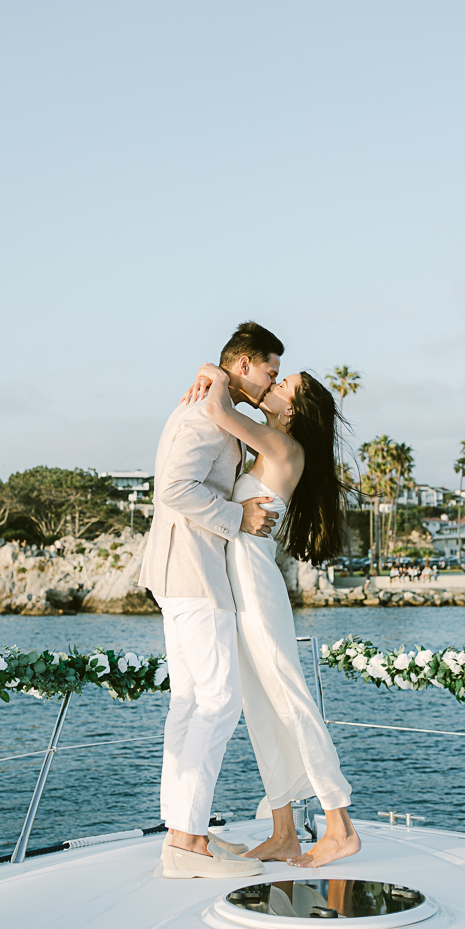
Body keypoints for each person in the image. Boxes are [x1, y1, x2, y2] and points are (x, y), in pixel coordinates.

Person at [186, 360, 361, 869]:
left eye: (284, 383)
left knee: (290, 699)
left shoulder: (285, 447)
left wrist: (213, 372)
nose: (274, 384)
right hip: (237, 590)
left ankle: (339, 825)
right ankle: (284, 830)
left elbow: (217, 408)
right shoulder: (269, 441)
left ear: (296, 407)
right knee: (260, 709)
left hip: (258, 591)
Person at [138, 322, 283, 880]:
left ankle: (183, 832)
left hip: (179, 571)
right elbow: (173, 488)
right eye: (269, 371)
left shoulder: (210, 400)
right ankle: (187, 839)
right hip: (194, 570)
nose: (271, 384)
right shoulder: (204, 412)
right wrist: (238, 516)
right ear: (243, 364)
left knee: (191, 700)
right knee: (219, 700)